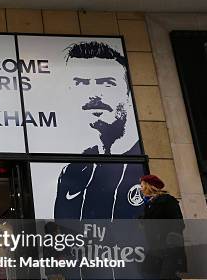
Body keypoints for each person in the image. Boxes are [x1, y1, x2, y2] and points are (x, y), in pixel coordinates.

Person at [54, 40, 143, 220]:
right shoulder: (72, 172)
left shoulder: (141, 166)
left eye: (106, 83)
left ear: (128, 92)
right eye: (81, 83)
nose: (94, 94)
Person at [139, 174, 204, 280]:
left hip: (170, 247)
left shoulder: (168, 201)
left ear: (150, 185)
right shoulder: (149, 204)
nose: (140, 188)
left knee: (169, 277)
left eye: (142, 184)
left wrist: (171, 241)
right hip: (157, 249)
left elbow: (178, 223)